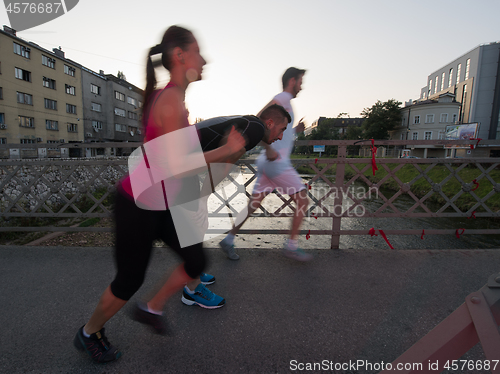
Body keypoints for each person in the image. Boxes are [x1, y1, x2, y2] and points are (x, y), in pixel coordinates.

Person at [73, 26, 291, 363]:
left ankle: (152, 308)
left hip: (162, 201)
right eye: (197, 52)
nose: (204, 60)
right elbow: (173, 165)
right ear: (180, 56)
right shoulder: (171, 99)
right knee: (129, 279)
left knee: (196, 261)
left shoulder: (174, 97)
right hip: (138, 203)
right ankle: (89, 332)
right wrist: (228, 150)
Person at [219, 67, 312, 261]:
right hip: (276, 161)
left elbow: (279, 132)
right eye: (301, 82)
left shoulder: (284, 102)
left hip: (269, 161)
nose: (302, 87)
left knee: (253, 204)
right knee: (303, 201)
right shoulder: (282, 99)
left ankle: (228, 239)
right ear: (293, 81)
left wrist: (295, 131)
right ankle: (291, 246)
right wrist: (268, 147)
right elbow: (257, 121)